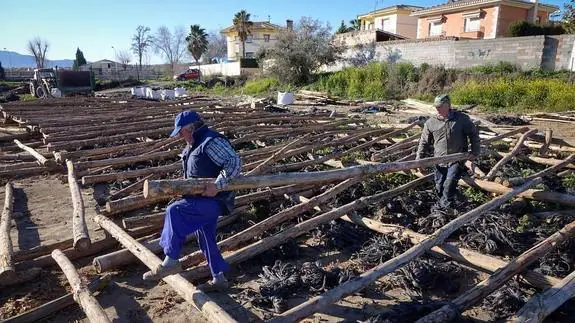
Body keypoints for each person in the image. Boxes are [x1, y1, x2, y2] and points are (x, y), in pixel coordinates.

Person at [143, 110, 241, 292]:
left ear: (191, 128)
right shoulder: (191, 145)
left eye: (181, 132)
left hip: (215, 201)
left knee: (175, 211)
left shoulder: (211, 142)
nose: (180, 136)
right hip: (200, 201)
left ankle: (171, 260)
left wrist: (218, 185)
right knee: (205, 237)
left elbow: (234, 162)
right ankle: (219, 277)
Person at [416, 94, 480, 213]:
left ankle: (445, 211)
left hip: (457, 159)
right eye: (436, 106)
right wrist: (419, 160)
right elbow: (424, 142)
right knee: (440, 186)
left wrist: (475, 151)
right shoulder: (431, 123)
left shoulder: (461, 119)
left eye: (440, 106)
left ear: (448, 105)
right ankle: (455, 201)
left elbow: (473, 133)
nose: (437, 109)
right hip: (439, 160)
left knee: (449, 183)